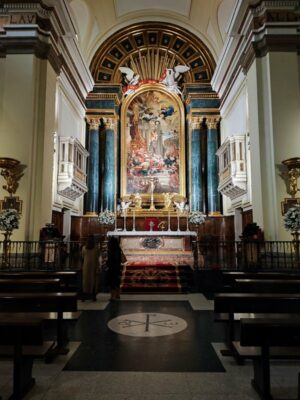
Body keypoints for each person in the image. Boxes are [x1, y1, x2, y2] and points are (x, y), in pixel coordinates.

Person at [81, 235, 100, 301]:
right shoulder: (96, 248)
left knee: (85, 281)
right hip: (94, 265)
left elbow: (82, 257)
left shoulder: (84, 248)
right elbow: (98, 256)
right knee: (93, 280)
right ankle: (93, 296)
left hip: (86, 265)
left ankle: (84, 296)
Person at [106, 236, 123, 300]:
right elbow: (119, 259)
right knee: (117, 281)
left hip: (112, 268)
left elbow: (110, 259)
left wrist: (107, 264)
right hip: (117, 267)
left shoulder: (111, 250)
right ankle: (118, 294)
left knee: (112, 282)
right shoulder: (118, 249)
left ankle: (112, 296)